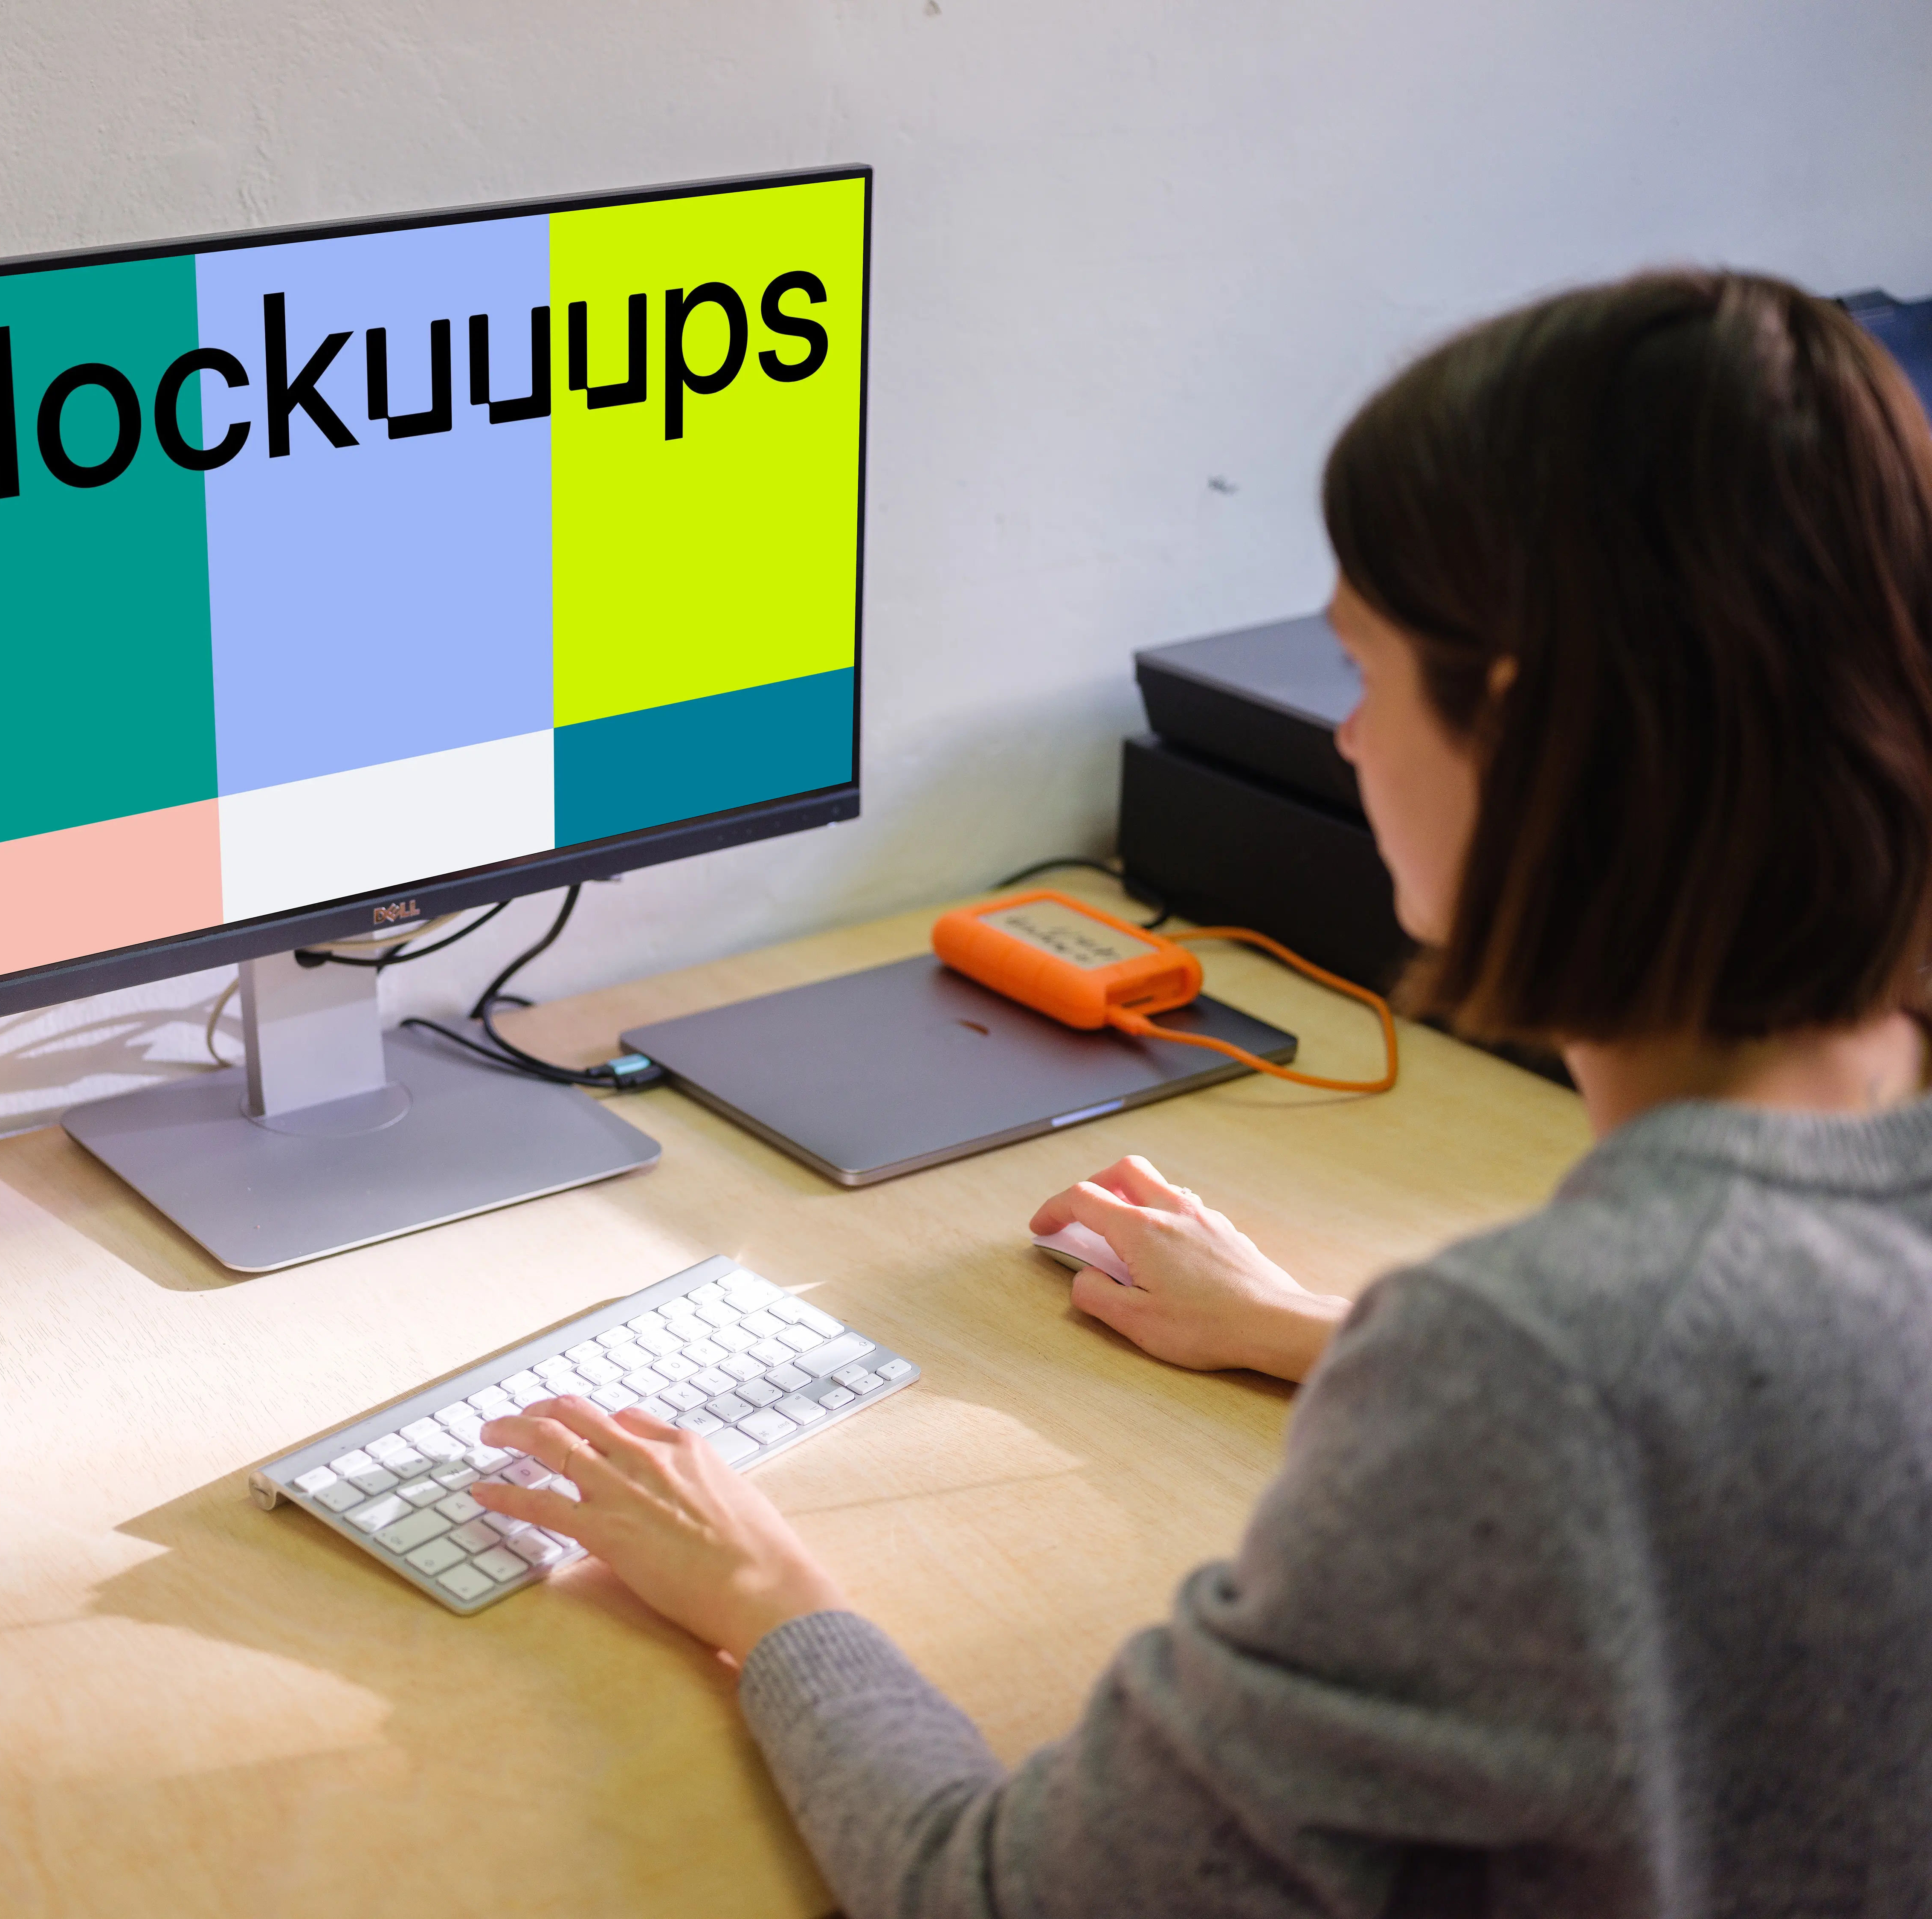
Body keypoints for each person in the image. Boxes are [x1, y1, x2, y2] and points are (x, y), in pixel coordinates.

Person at [470, 271, 1932, 1916]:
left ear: (1525, 737)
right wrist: (1317, 1332)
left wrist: (760, 1583)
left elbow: (1002, 1897)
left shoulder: (1540, 1369)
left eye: (1364, 675)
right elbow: (1745, 1427)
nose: (1352, 740)